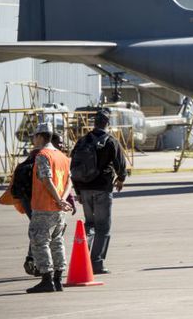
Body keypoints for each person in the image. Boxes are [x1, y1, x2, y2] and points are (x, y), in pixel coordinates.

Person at [70, 109, 127, 274]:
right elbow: (120, 163)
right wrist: (121, 179)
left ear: (94, 123)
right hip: (102, 188)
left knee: (89, 225)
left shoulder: (82, 141)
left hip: (84, 189)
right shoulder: (110, 141)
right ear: (107, 123)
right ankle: (96, 263)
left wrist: (78, 190)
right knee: (103, 227)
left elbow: (74, 166)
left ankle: (82, 257)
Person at [26, 123, 73, 293]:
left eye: (34, 136)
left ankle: (47, 279)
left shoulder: (42, 155)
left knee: (40, 241)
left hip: (44, 206)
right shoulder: (62, 156)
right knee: (57, 241)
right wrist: (62, 199)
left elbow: (47, 180)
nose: (33, 140)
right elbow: (69, 181)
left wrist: (59, 199)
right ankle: (58, 279)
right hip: (58, 209)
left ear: (40, 136)